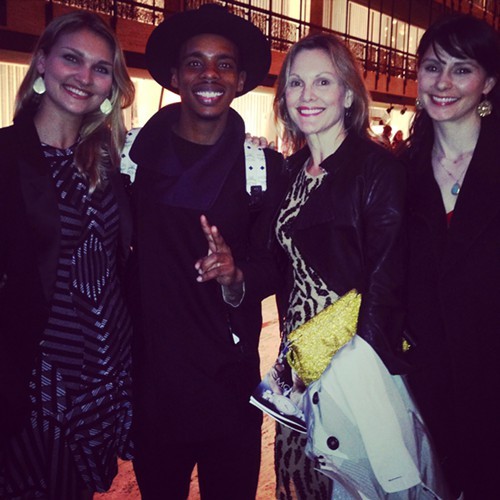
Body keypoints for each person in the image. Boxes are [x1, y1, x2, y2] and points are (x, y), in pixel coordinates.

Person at [128, 4, 285, 499]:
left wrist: (238, 276)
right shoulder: (130, 162)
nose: (209, 74)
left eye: (224, 64)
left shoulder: (264, 168)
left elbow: (276, 263)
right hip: (153, 382)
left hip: (229, 384)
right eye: (195, 62)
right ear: (175, 76)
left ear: (240, 79)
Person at [0, 10, 135, 500]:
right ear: (41, 64)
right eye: (72, 60)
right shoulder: (6, 157)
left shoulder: (108, 162)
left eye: (101, 68)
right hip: (41, 375)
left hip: (106, 366)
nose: (85, 77)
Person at [272, 32, 412, 499]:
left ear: (348, 93)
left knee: (348, 482)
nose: (307, 95)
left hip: (353, 364)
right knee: (300, 481)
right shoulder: (289, 172)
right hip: (296, 365)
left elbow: (386, 284)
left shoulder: (377, 170)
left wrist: (332, 363)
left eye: (323, 82)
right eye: (296, 83)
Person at [401, 14, 500, 498]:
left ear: (489, 83)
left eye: (462, 69)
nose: (442, 83)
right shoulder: (397, 175)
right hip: (424, 387)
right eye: (432, 67)